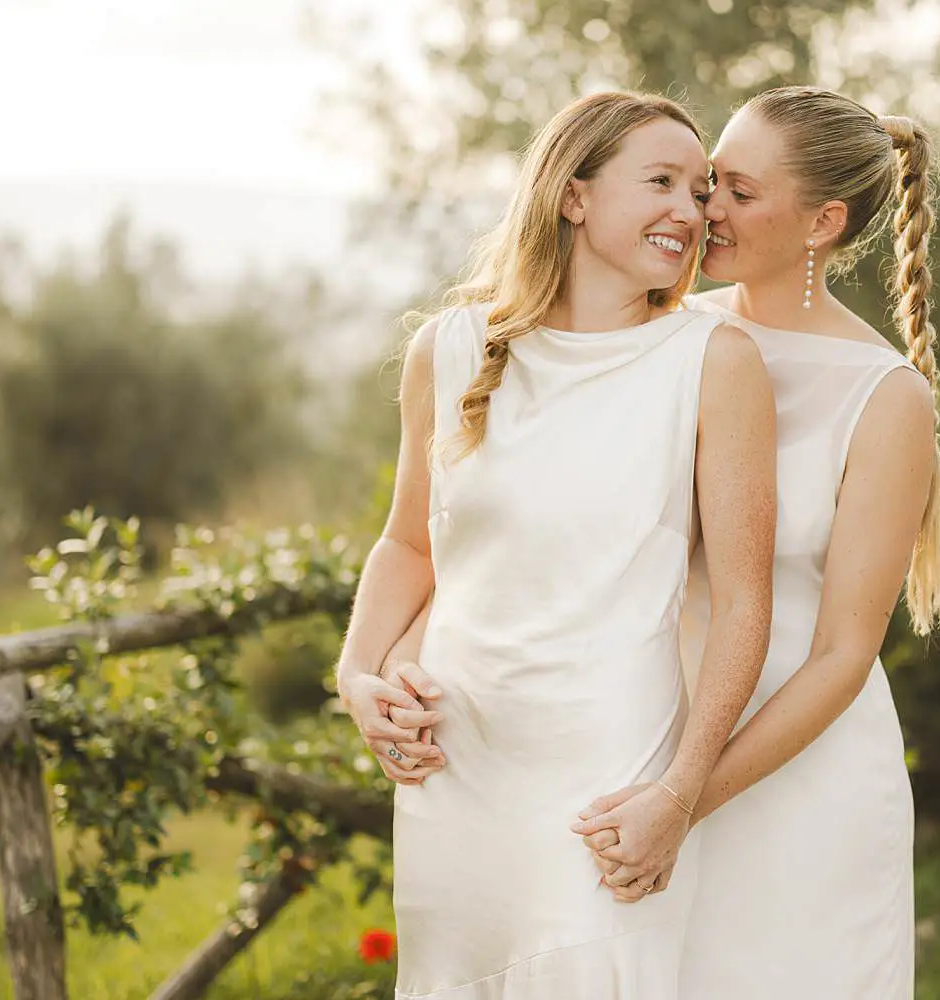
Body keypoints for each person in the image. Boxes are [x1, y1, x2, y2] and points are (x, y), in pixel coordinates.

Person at [333, 90, 778, 1000]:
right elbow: (409, 546)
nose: (691, 211)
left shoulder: (713, 360)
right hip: (455, 765)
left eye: (700, 191)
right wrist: (356, 677)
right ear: (574, 195)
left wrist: (679, 793)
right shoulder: (449, 349)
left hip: (609, 779)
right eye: (662, 182)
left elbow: (744, 603)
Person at [579, 85, 940, 1000]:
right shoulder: (667, 334)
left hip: (800, 784)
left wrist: (686, 799)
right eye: (711, 181)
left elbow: (842, 656)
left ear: (824, 222)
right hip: (646, 744)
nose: (704, 208)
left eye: (740, 193)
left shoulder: (885, 396)